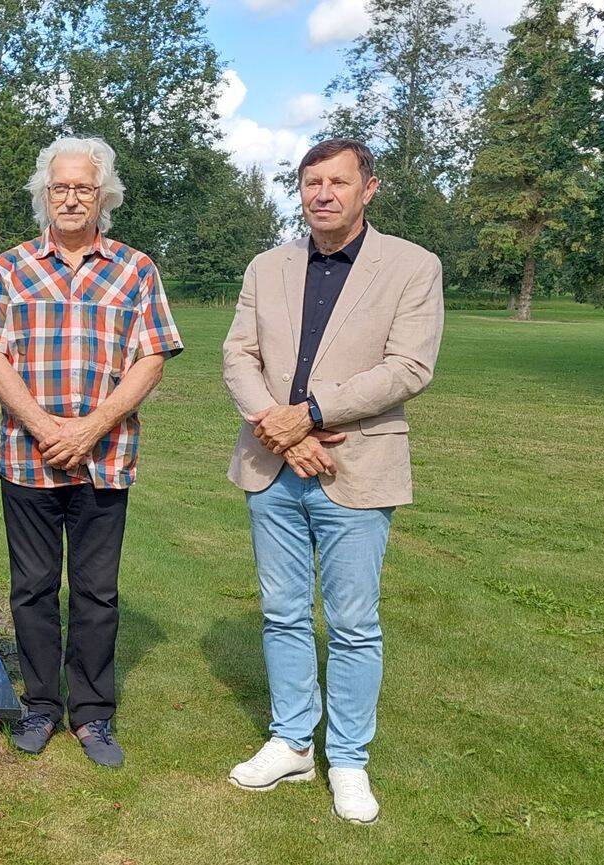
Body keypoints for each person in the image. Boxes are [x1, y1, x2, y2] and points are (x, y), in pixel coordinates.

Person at [221, 138, 443, 825]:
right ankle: (292, 741)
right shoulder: (269, 266)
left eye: (337, 181)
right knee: (283, 611)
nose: (323, 193)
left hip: (357, 465)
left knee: (352, 623)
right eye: (311, 182)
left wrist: (310, 415)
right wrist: (281, 432)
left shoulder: (412, 266)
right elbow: (238, 354)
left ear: (367, 189)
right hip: (272, 467)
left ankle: (348, 758)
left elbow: (408, 366)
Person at [0, 138, 184, 769]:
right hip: (27, 459)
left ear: (103, 197)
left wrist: (92, 427)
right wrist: (43, 426)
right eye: (59, 188)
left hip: (105, 458)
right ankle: (39, 702)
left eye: (83, 188)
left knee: (96, 591)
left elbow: (151, 357)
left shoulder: (135, 269)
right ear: (44, 194)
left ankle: (91, 713)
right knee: (32, 589)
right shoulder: (8, 269)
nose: (69, 198)